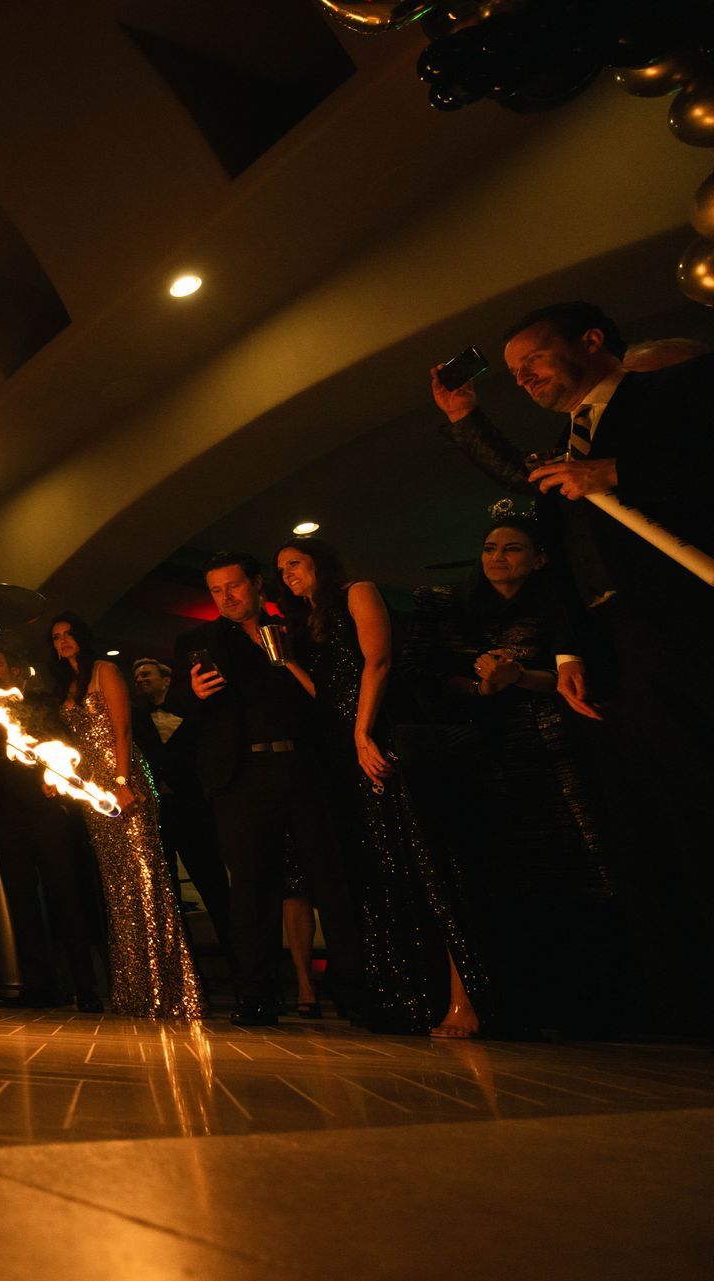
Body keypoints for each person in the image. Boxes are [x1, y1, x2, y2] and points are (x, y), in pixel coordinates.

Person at [430, 302, 714, 1033]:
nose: (523, 378)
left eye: (533, 360)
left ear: (590, 342)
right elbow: (555, 517)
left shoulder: (675, 388)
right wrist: (570, 649)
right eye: (513, 372)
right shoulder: (568, 443)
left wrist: (618, 470)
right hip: (624, 645)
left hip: (693, 616)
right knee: (674, 811)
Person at [399, 508, 621, 1035]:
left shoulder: (559, 606)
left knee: (572, 863)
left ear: (539, 558)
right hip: (471, 743)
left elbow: (577, 675)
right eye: (490, 548)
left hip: (548, 744)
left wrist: (517, 675)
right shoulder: (445, 603)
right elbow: (421, 673)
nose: (498, 558)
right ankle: (499, 1001)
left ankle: (586, 1003)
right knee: (491, 868)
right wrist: (480, 687)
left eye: (512, 548)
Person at [276, 538, 489, 1038]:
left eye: (294, 563)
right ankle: (411, 997)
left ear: (320, 563)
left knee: (423, 861)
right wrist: (286, 661)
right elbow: (326, 693)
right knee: (381, 871)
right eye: (280, 569)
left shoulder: (358, 591)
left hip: (376, 735)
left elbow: (379, 662)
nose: (286, 574)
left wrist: (363, 732)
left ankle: (466, 999)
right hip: (343, 748)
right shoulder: (309, 622)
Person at [164, 552, 365, 1026]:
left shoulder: (295, 627)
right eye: (216, 590)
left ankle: (356, 994)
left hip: (303, 767)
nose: (226, 597)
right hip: (241, 777)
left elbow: (327, 693)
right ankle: (257, 996)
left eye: (233, 586)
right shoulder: (198, 641)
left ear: (256, 584)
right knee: (252, 890)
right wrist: (193, 694)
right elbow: (177, 701)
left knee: (331, 880)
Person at [46, 614, 201, 1019]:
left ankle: (171, 990)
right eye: (57, 637)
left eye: (68, 634)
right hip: (92, 791)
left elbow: (123, 729)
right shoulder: (67, 685)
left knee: (147, 878)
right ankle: (136, 991)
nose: (63, 641)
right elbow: (76, 744)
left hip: (123, 779)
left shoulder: (104, 670)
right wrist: (63, 778)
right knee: (118, 887)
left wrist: (122, 779)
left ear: (82, 636)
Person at [0, 646, 104, 1009]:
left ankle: (86, 988)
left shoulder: (41, 703)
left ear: (15, 671)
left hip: (45, 811)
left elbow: (65, 744)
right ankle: (40, 987)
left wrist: (55, 781)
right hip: (5, 816)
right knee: (21, 902)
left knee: (65, 896)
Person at [130, 656, 232, 964]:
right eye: (137, 676)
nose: (140, 679)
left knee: (213, 883)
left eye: (146, 673)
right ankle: (187, 966)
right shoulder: (135, 718)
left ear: (166, 679)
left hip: (193, 807)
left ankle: (236, 957)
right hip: (157, 811)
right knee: (169, 889)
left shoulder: (192, 710)